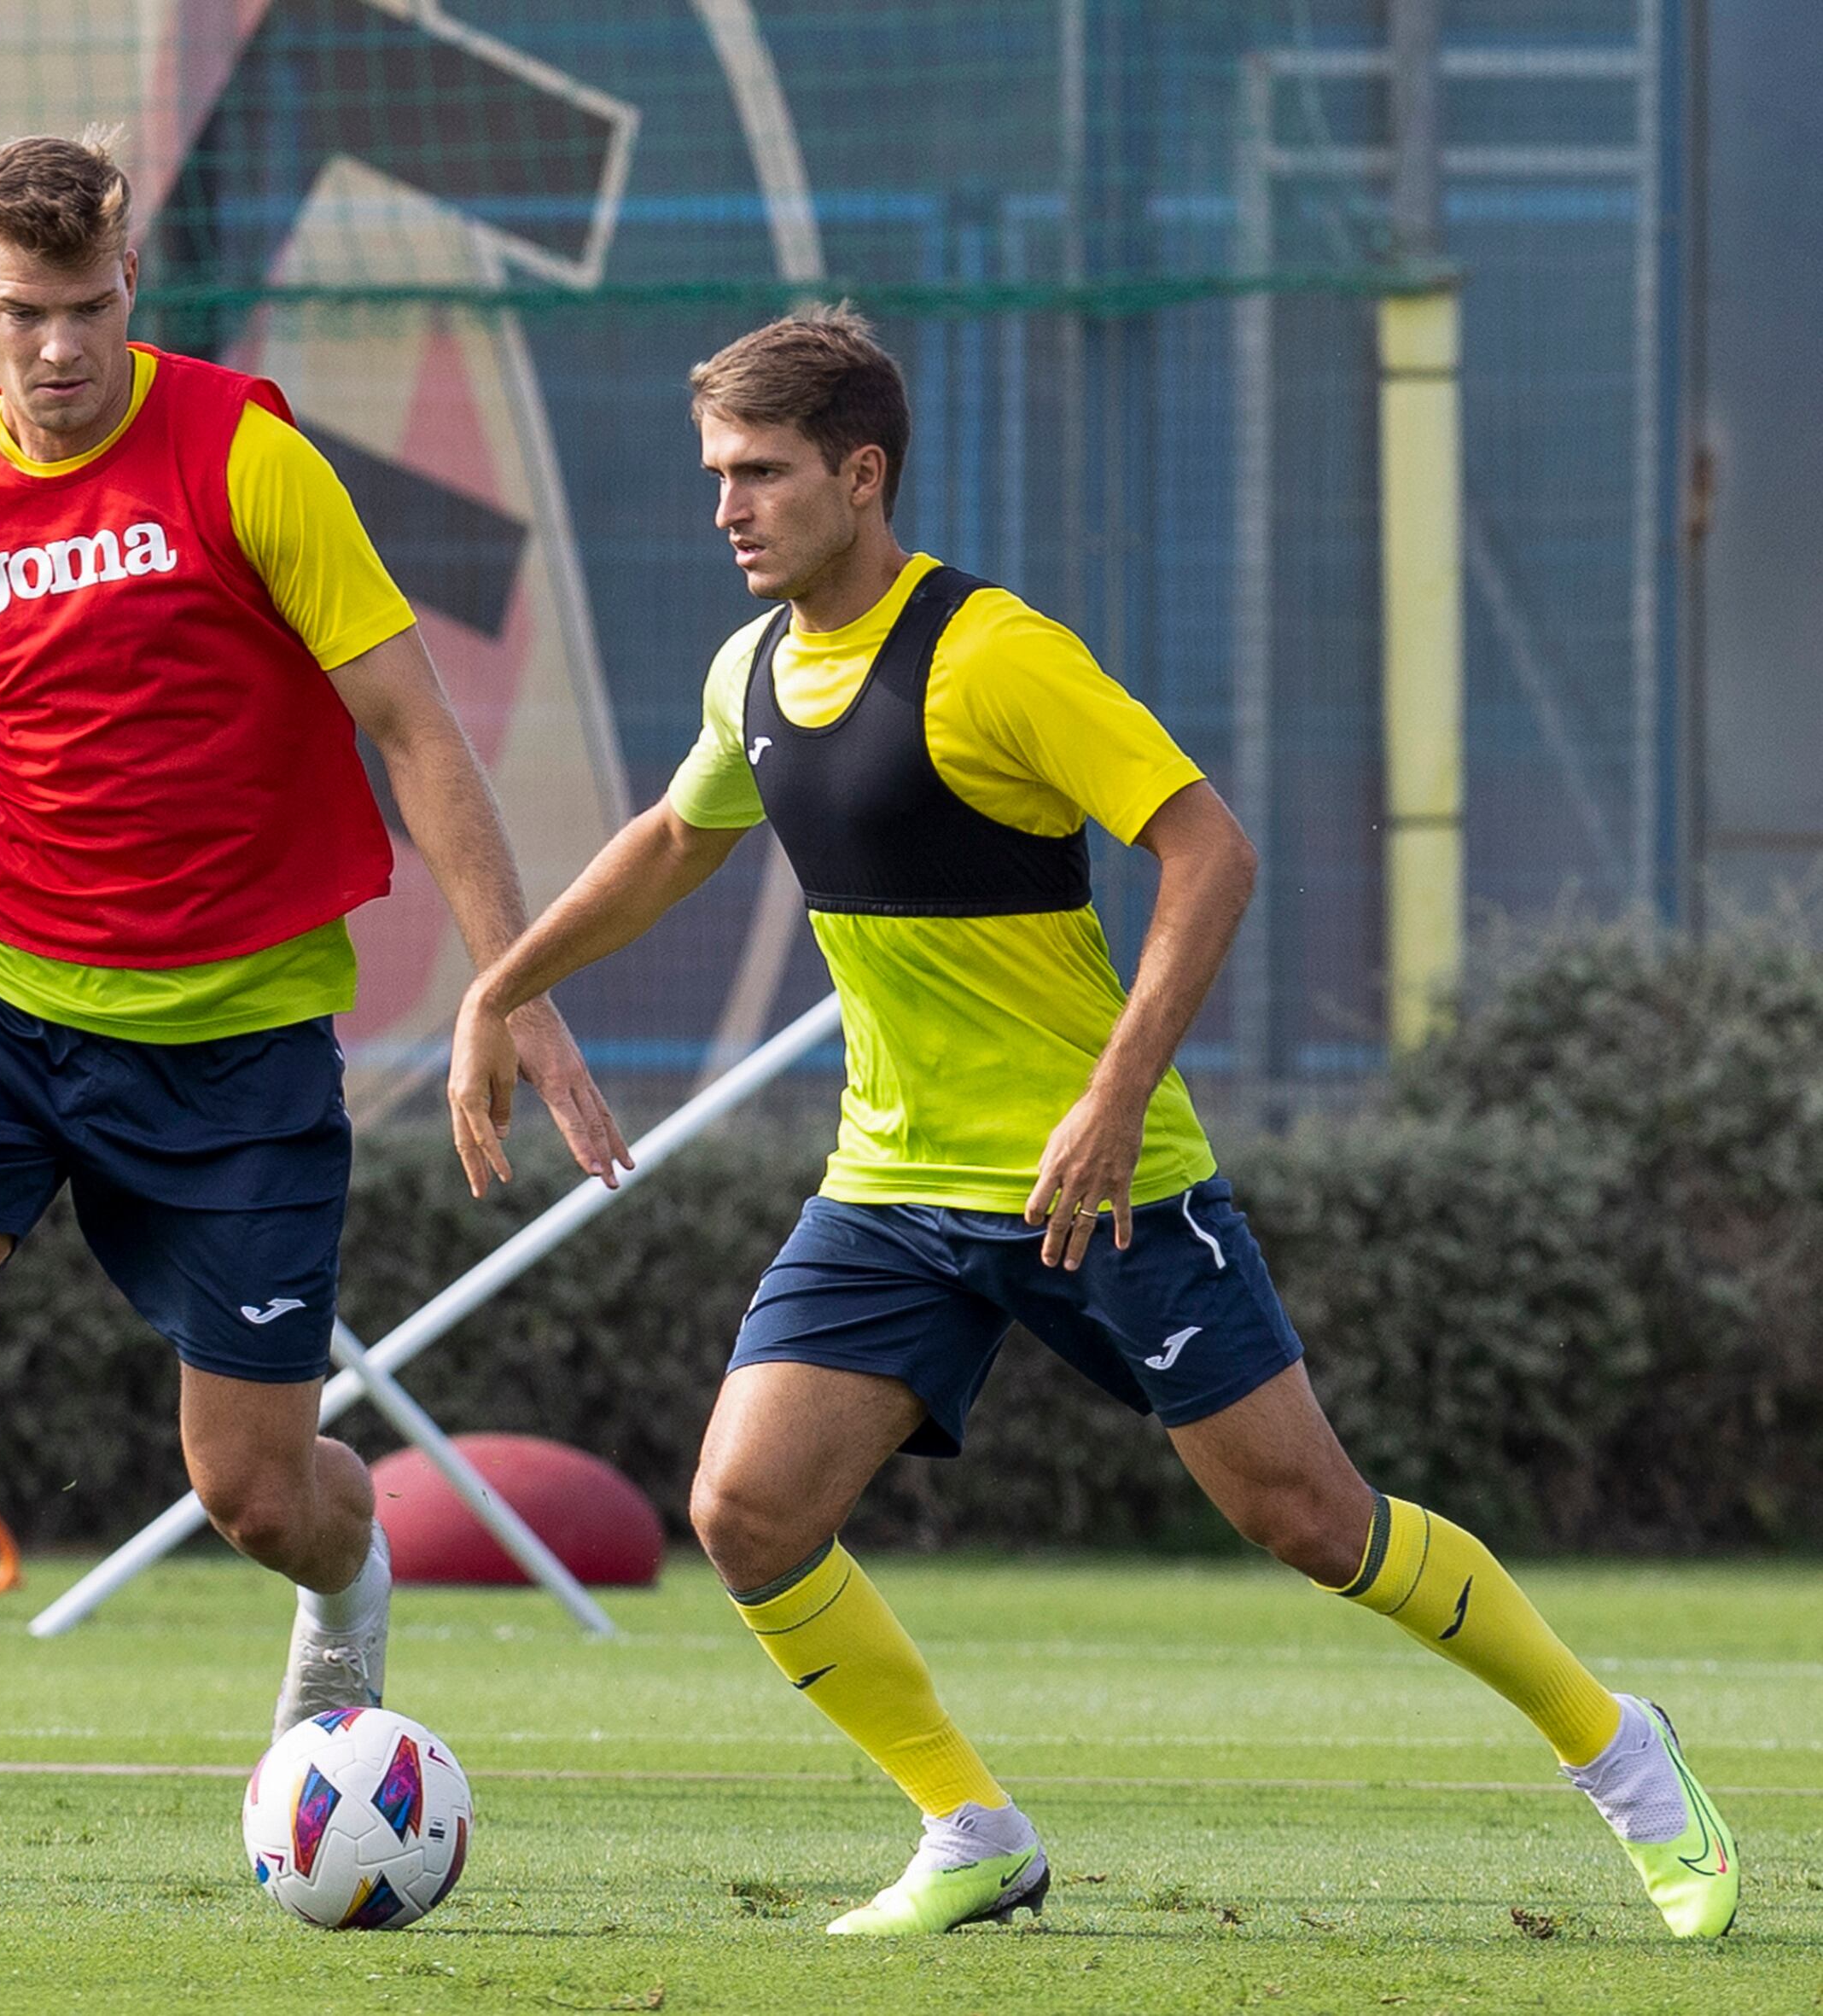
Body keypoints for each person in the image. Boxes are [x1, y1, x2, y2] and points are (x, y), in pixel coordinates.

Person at [445, 308, 1735, 1939]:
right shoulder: (751, 669)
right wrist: (503, 986)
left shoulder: (996, 655)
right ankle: (971, 1828)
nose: (727, 508)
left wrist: (1116, 1096)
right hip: (892, 1190)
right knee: (746, 1511)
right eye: (715, 474)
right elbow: (666, 840)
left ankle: (1624, 1755)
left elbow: (1212, 850)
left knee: (1308, 1519)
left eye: (761, 474)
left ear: (863, 474)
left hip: (1102, 1184)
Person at [0, 129, 625, 1882]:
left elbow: (415, 733)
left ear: (134, 288)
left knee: (253, 1491)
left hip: (236, 1046)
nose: (57, 347)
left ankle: (351, 1572)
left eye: (89, 306)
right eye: (23, 311)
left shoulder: (247, 462)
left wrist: (522, 990)